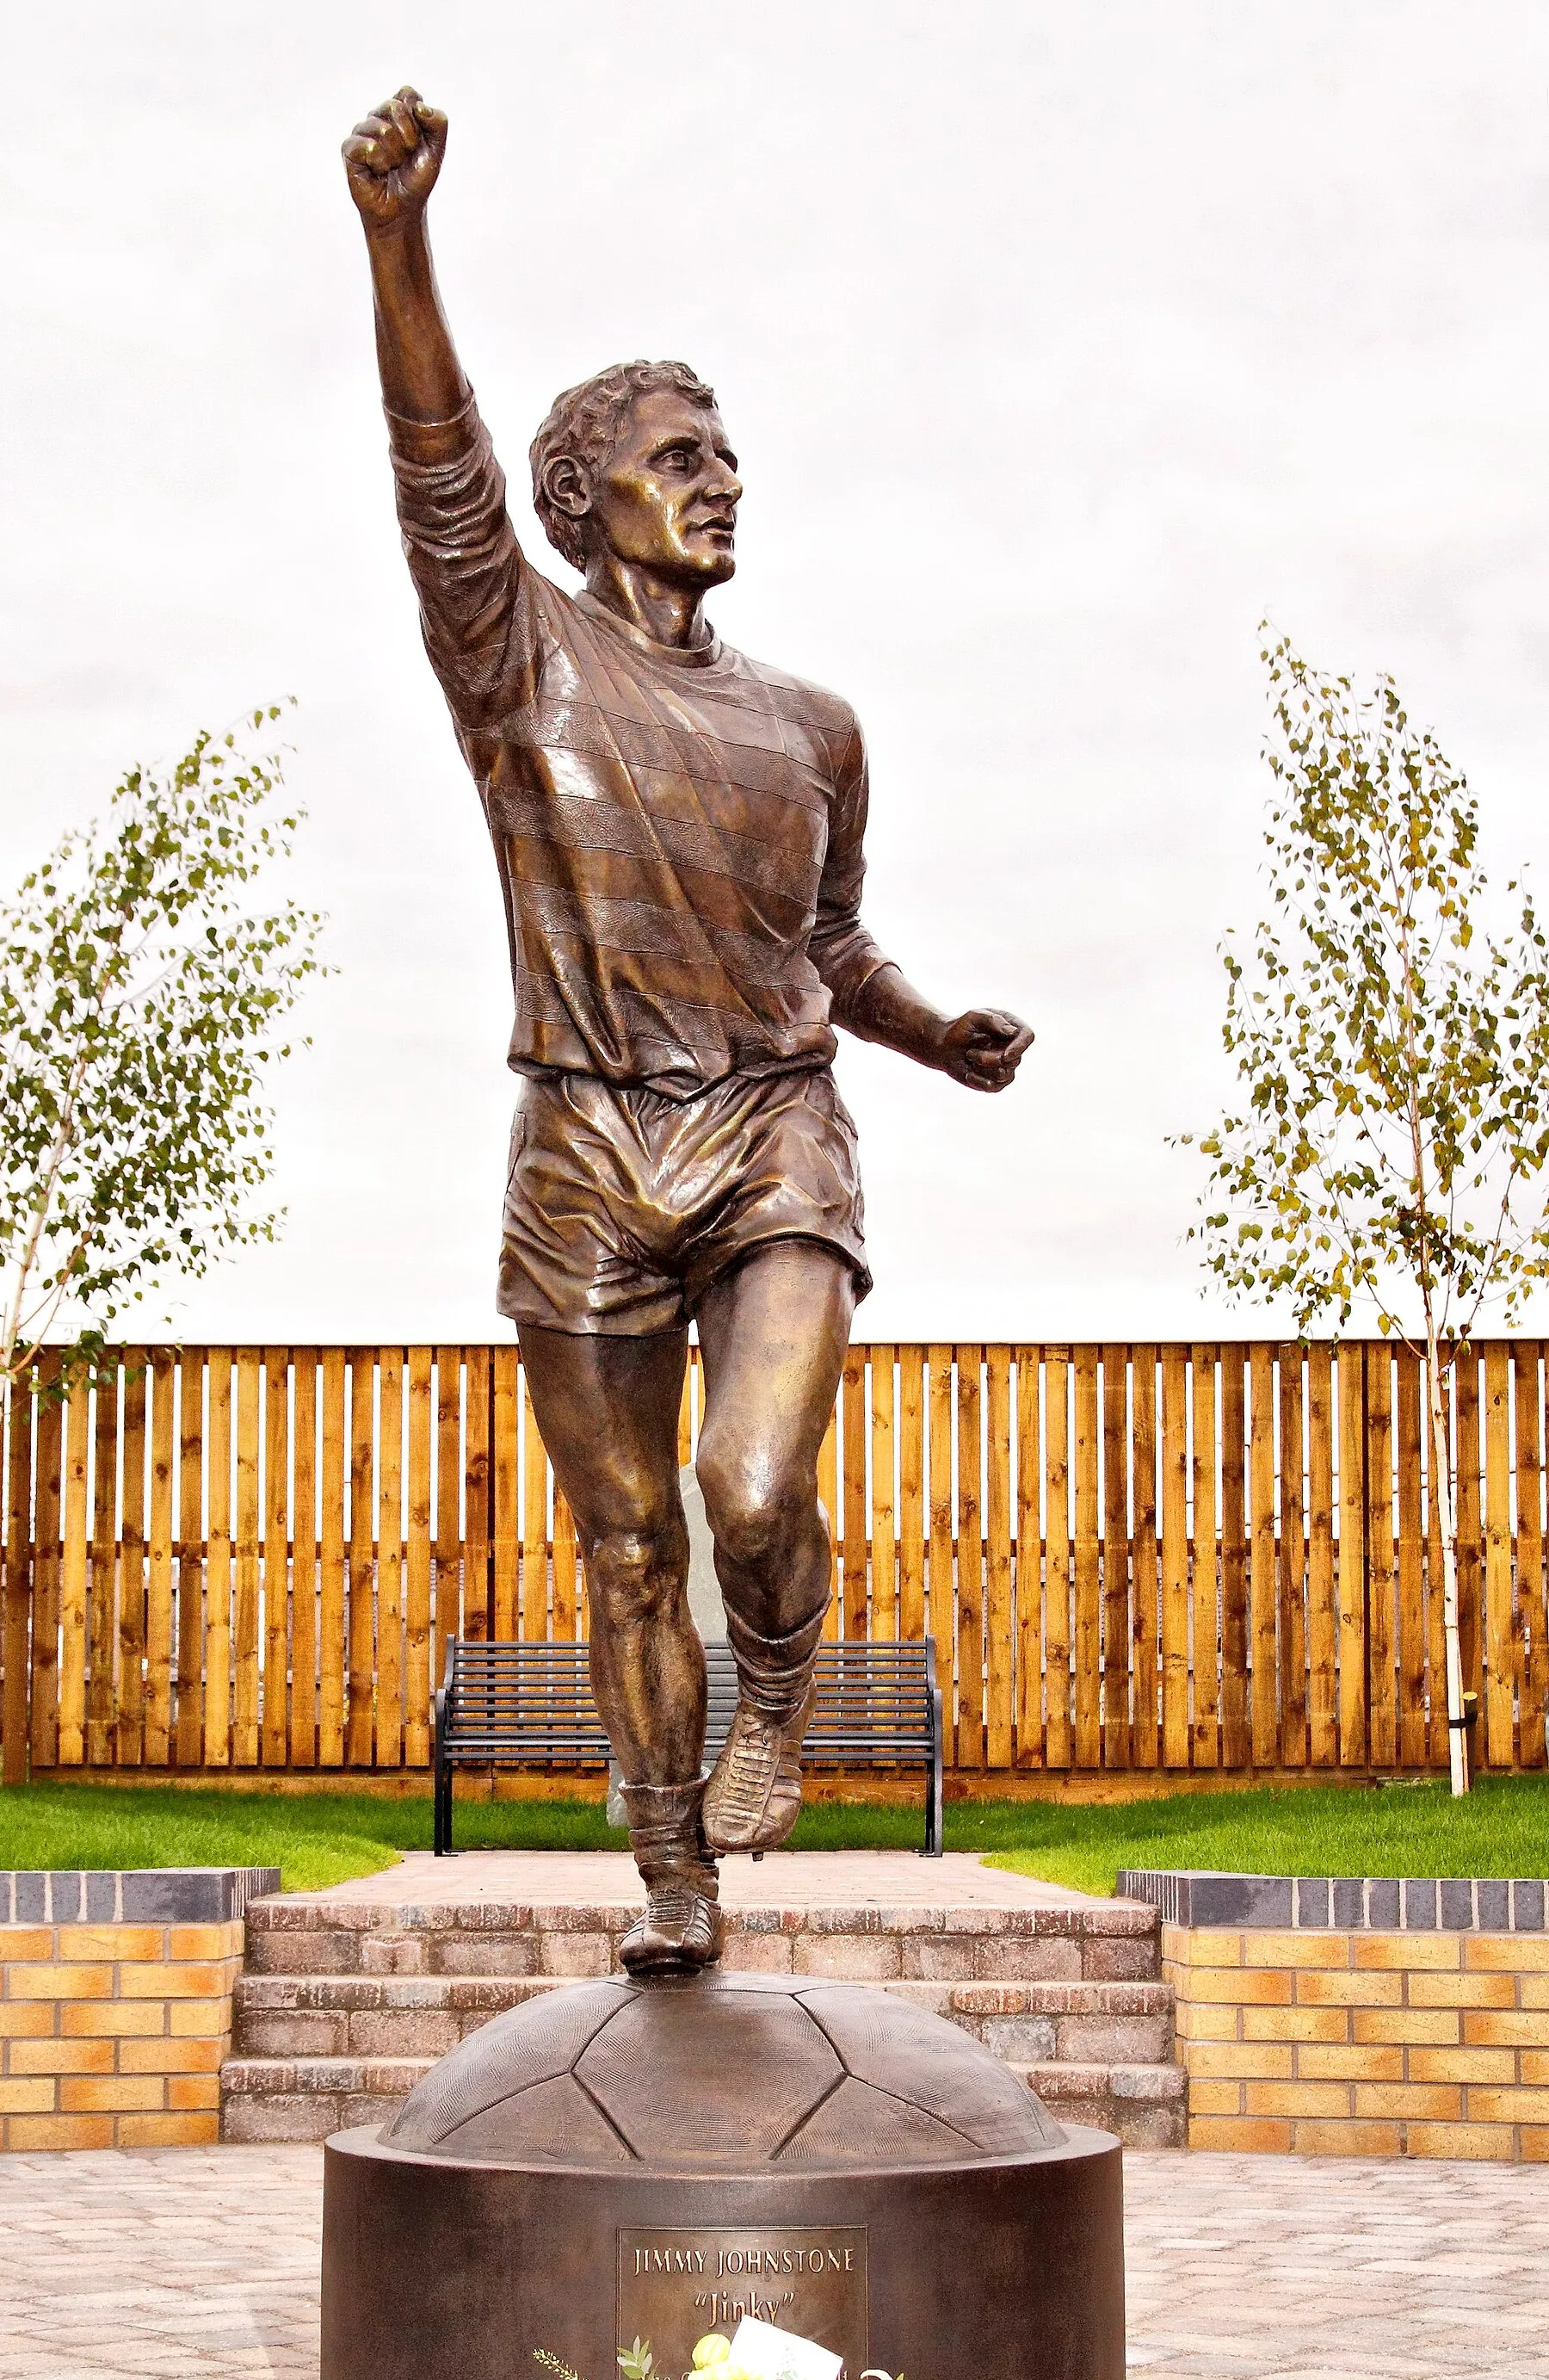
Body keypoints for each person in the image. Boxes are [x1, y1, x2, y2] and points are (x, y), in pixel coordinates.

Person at [344, 88, 1033, 1978]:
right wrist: (398, 244)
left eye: (729, 452)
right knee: (631, 1543)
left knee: (746, 1485)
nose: (722, 478)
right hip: (580, 1148)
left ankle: (782, 1703)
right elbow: (438, 473)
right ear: (585, 505)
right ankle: (668, 1870)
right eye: (677, 455)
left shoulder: (815, 724)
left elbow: (827, 938)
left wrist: (924, 1023)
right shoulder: (518, 658)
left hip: (772, 1131)